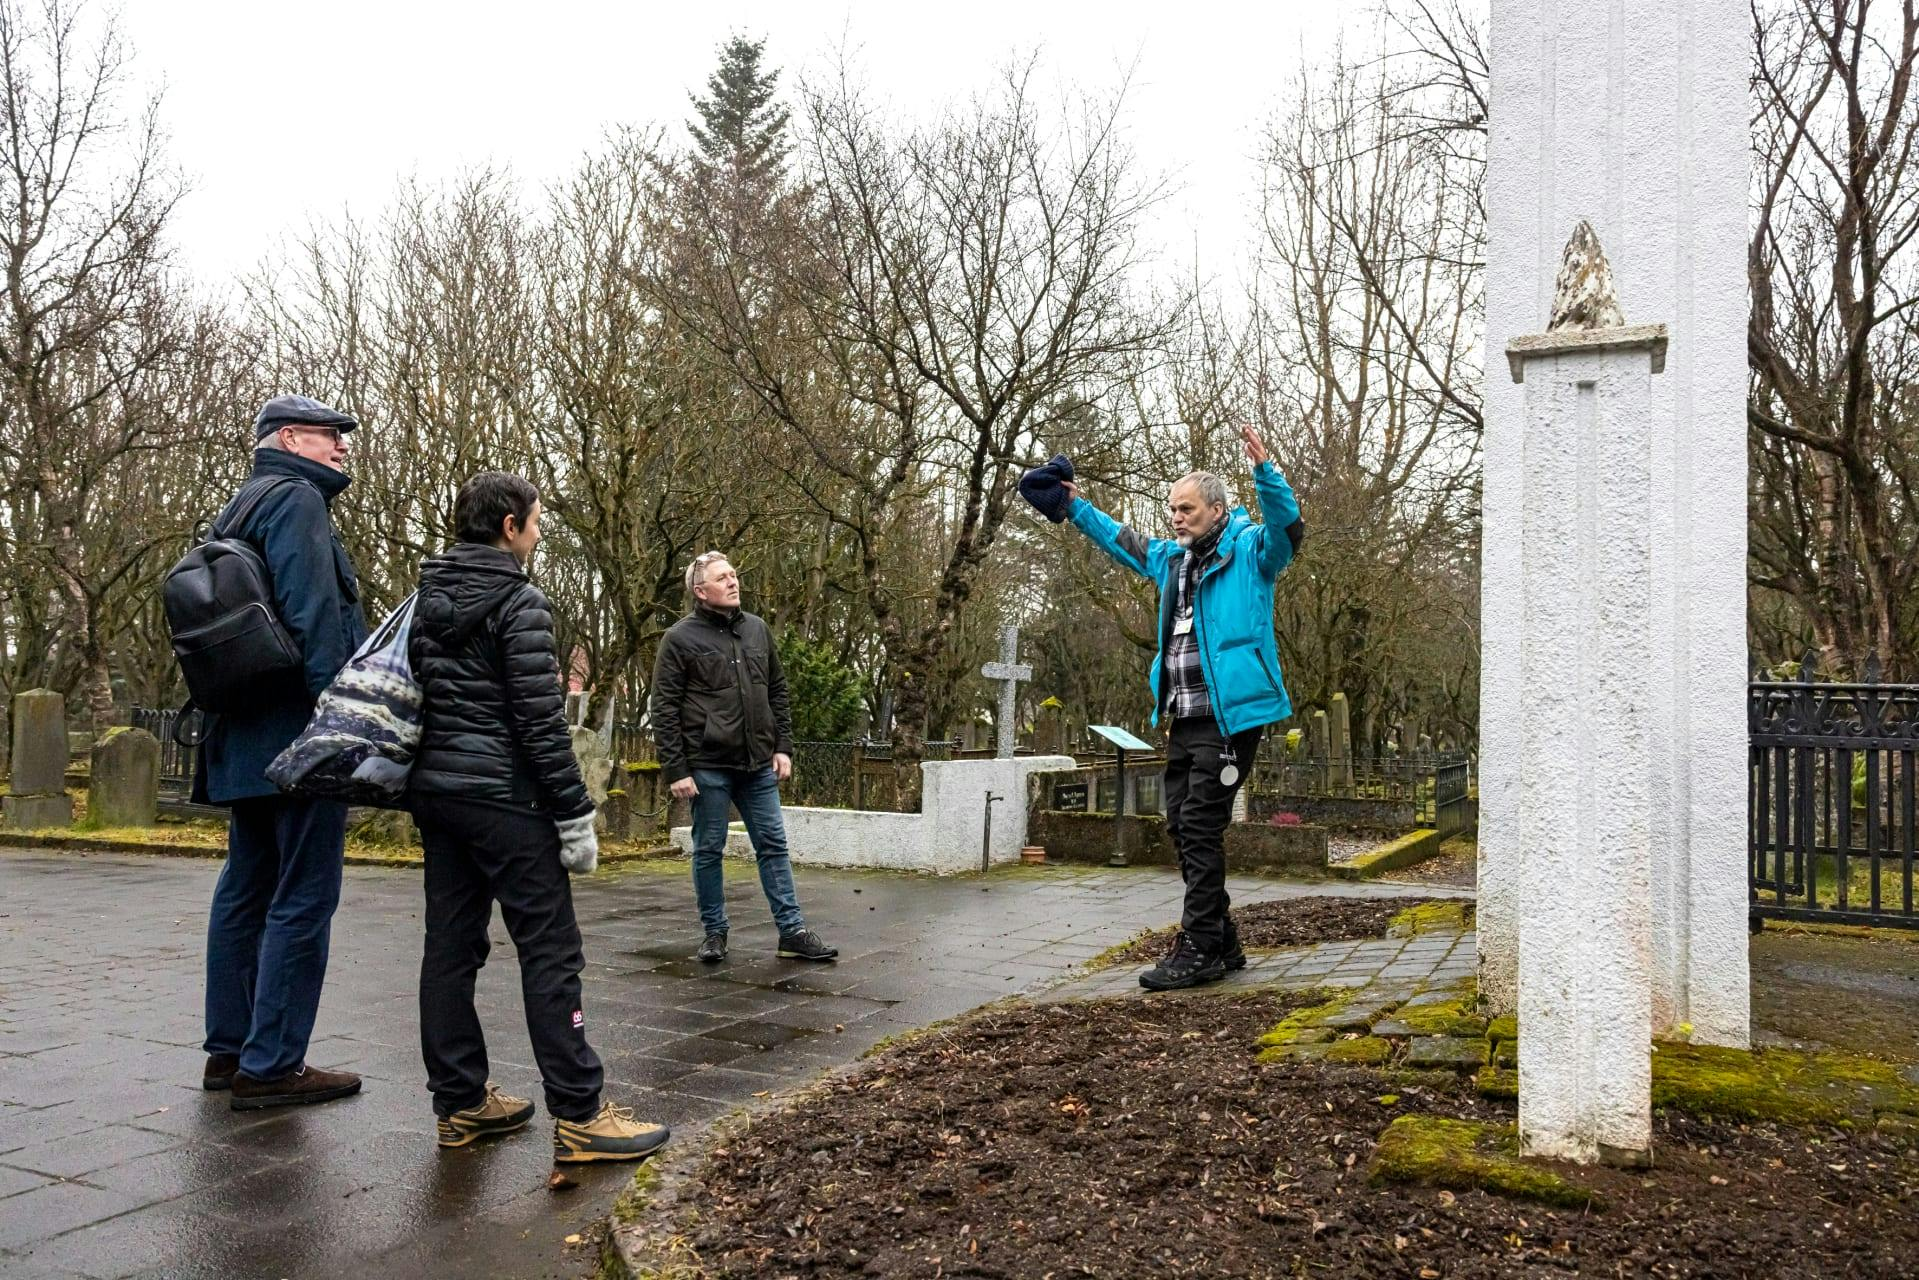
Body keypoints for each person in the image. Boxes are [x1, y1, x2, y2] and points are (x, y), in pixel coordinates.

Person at [407, 471, 670, 1163]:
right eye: (537, 518)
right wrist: (573, 813)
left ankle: (459, 1104)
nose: (540, 527)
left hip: (438, 794)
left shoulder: (426, 597)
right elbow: (538, 722)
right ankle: (581, 1115)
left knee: (450, 948)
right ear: (509, 527)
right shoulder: (518, 600)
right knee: (550, 951)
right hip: (505, 801)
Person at [1030, 424, 1304, 991]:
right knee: (1180, 823)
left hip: (1231, 717)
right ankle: (1222, 939)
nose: (1176, 517)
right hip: (1183, 713)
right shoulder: (1172, 562)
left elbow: (1288, 529)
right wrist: (1074, 505)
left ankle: (1200, 945)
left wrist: (1266, 471)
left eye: (1186, 508)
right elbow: (1121, 540)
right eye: (1172, 509)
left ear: (1218, 509)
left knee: (1201, 825)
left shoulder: (1252, 551)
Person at [198, 395, 369, 1109]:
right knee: (303, 896)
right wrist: (339, 722)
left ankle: (230, 1052)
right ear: (291, 438)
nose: (342, 449)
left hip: (242, 734)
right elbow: (312, 616)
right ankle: (273, 1066)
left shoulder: (236, 508)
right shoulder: (297, 500)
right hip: (297, 736)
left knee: (245, 890)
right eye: (333, 437)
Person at [651, 551, 836, 965]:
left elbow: (777, 692)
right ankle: (714, 933)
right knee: (709, 849)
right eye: (723, 577)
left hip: (758, 766)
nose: (734, 582)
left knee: (773, 845)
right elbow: (663, 708)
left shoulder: (757, 630)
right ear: (701, 591)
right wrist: (676, 769)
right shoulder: (679, 639)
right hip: (708, 766)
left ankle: (792, 932)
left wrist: (783, 746)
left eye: (734, 574)